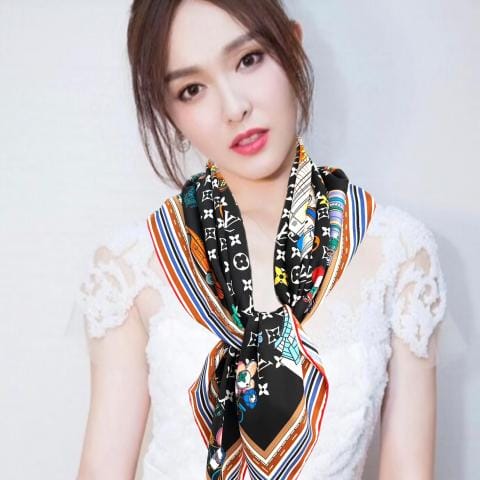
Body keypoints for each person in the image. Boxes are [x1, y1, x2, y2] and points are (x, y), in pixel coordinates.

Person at [75, 1, 447, 479]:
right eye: (192, 90)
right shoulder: (132, 266)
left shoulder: (396, 252)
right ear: (168, 111)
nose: (235, 108)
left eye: (248, 59)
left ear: (292, 45)